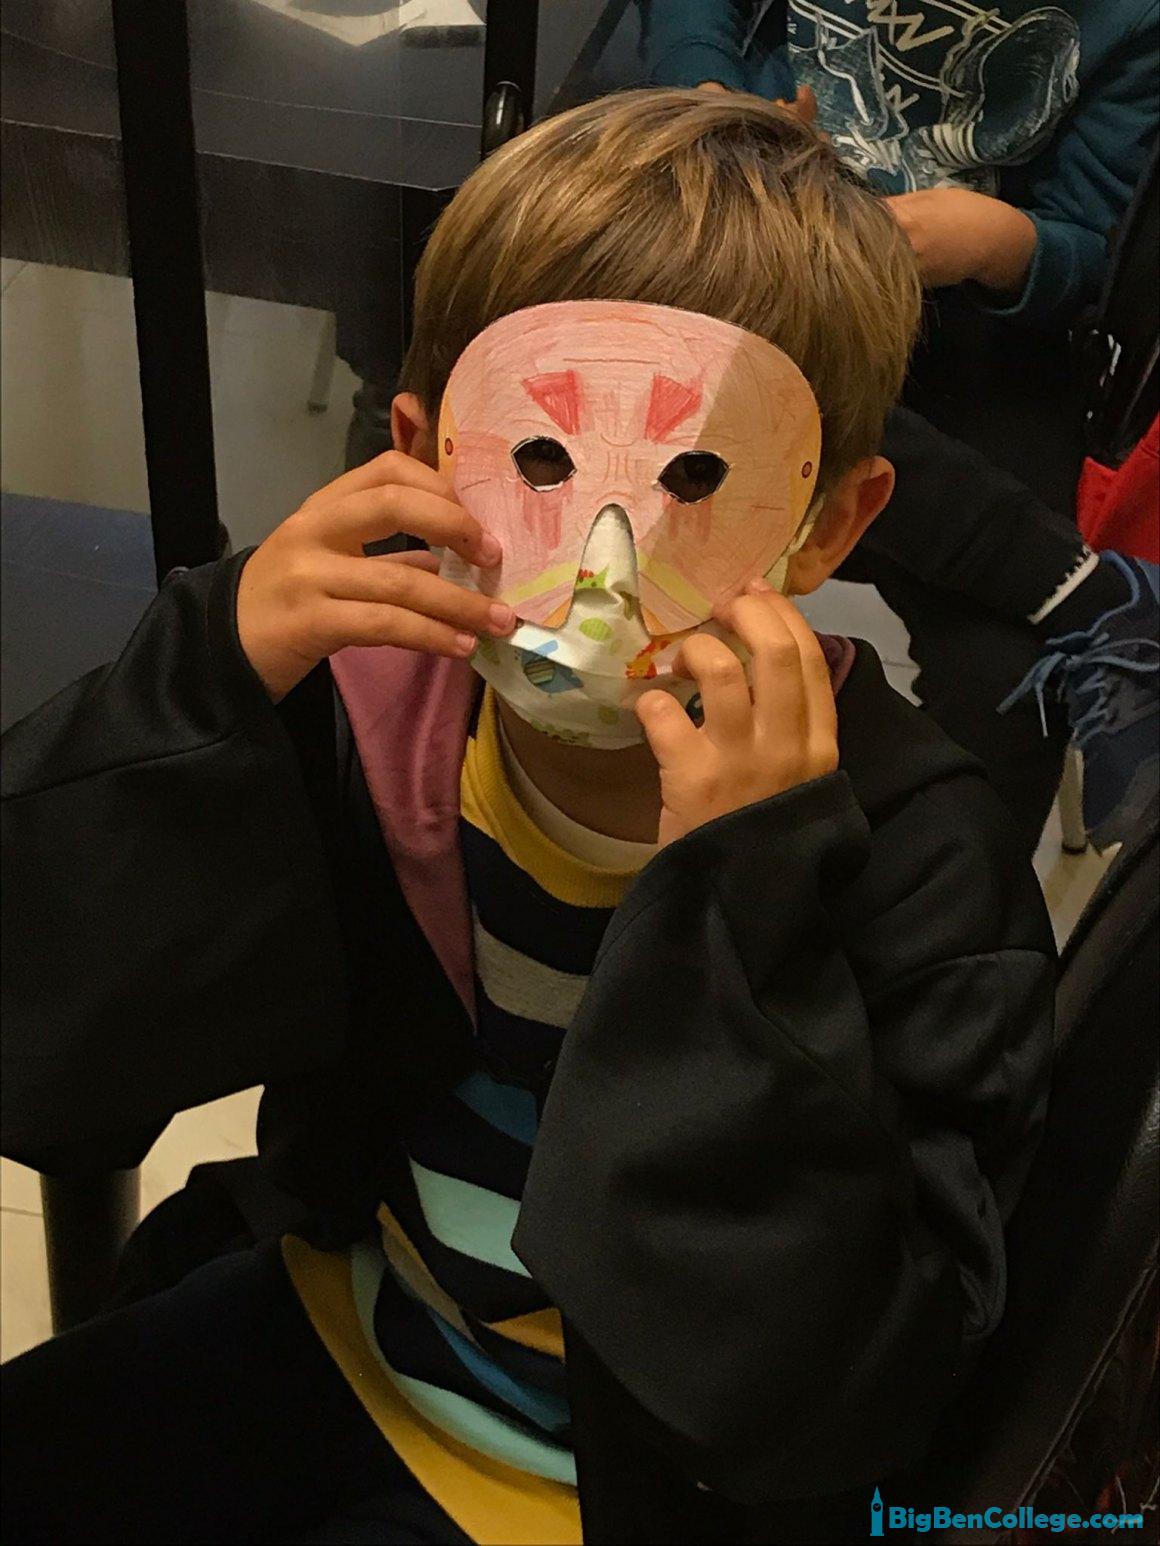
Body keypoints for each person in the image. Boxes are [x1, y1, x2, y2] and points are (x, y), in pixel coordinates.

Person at [1, 91, 1055, 1544]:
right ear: (424, 454)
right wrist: (199, 690)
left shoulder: (920, 860)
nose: (604, 574)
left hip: (634, 1487)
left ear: (827, 522)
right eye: (543, 464)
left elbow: (837, 1394)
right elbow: (48, 1063)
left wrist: (744, 909)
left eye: (695, 478)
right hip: (348, 1335)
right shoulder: (364, 713)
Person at [640, 1, 1160, 851]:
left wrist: (1002, 245)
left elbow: (1097, 254)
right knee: (757, 386)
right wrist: (711, 96)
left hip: (967, 331)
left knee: (1011, 676)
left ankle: (949, 911)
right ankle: (1083, 591)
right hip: (752, 283)